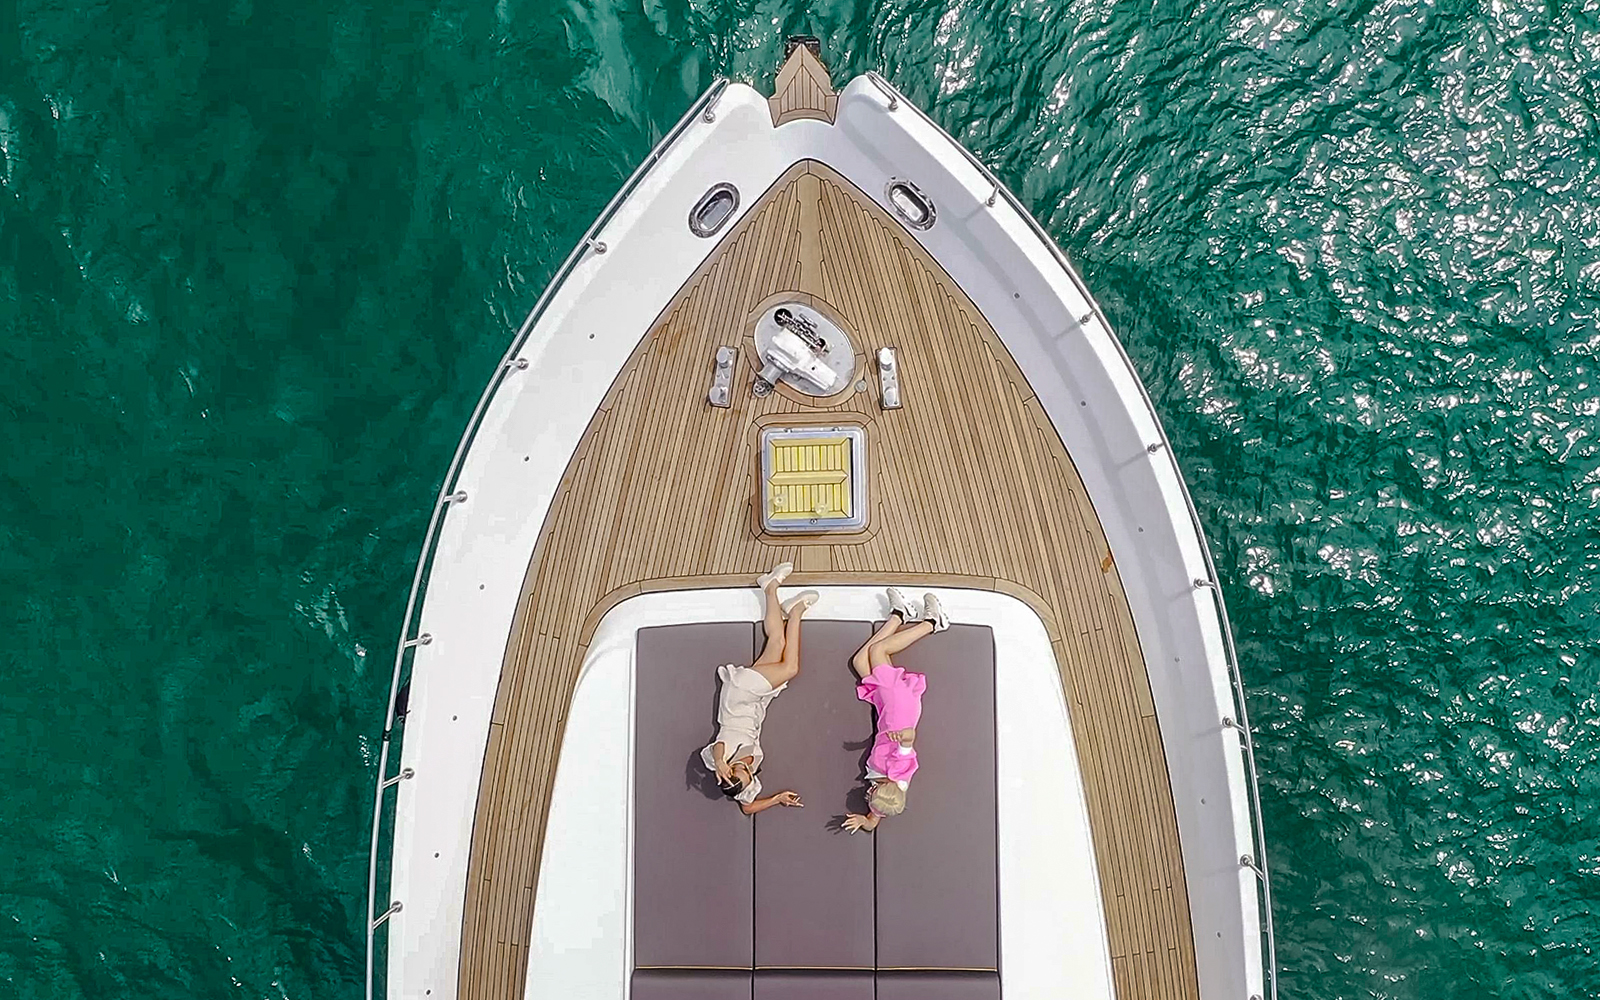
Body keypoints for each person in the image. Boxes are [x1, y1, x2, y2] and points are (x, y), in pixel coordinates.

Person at [700, 561, 817, 814]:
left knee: (790, 668)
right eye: (747, 776)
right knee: (776, 642)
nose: (746, 771)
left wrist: (721, 761)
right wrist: (777, 799)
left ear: (728, 771)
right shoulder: (746, 782)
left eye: (739, 772)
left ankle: (796, 611)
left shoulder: (721, 756)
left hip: (739, 697)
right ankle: (770, 587)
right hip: (755, 702)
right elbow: (747, 808)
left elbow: (718, 747)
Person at [842, 587, 947, 833]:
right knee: (879, 652)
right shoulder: (898, 769)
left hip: (884, 711)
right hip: (899, 711)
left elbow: (872, 821)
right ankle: (932, 622)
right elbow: (910, 737)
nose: (868, 793)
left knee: (859, 661)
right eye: (872, 792)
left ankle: (899, 615)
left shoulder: (884, 802)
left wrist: (863, 821)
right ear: (887, 785)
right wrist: (901, 737)